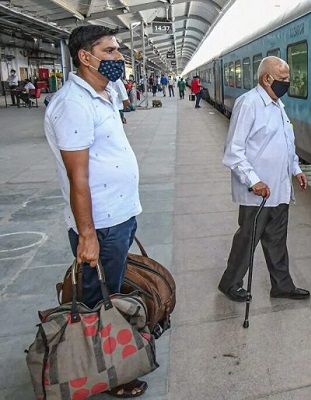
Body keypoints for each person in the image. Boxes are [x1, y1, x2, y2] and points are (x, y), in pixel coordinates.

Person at [43, 25, 147, 398]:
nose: (119, 58)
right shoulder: (74, 104)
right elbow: (78, 177)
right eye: (110, 51)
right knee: (98, 302)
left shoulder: (103, 94)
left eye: (118, 50)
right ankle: (105, 372)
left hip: (116, 216)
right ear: (85, 57)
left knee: (109, 292)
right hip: (100, 224)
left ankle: (105, 362)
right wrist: (87, 235)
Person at [218, 56, 311, 303]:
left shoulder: (277, 105)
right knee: (248, 237)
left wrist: (296, 169)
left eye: (288, 78)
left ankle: (281, 285)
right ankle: (230, 282)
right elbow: (233, 150)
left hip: (279, 187)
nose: (288, 83)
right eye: (283, 78)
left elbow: (285, 143)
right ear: (266, 78)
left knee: (277, 239)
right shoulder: (249, 104)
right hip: (257, 191)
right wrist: (253, 181)